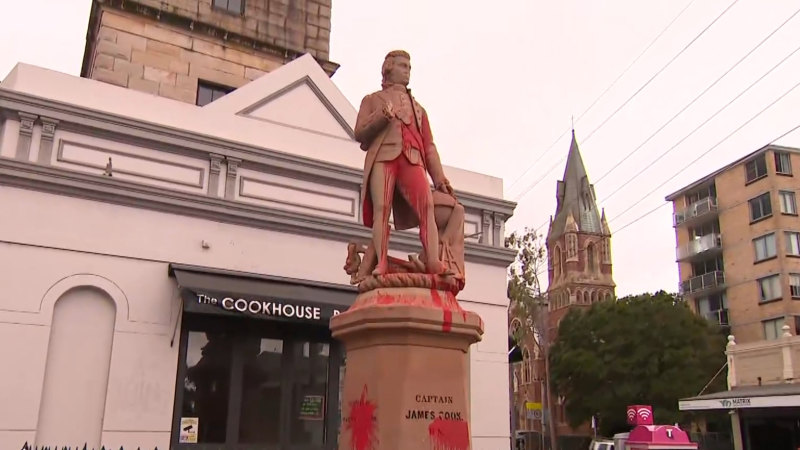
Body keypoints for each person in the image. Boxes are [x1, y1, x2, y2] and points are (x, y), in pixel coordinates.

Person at [354, 50, 453, 276]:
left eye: (409, 67)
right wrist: (383, 117)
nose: (407, 71)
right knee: (381, 209)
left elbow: (429, 146)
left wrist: (439, 178)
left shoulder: (419, 110)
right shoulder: (372, 100)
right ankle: (381, 262)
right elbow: (359, 132)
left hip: (412, 158)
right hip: (384, 157)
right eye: (402, 66)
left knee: (426, 206)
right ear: (389, 68)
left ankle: (433, 261)